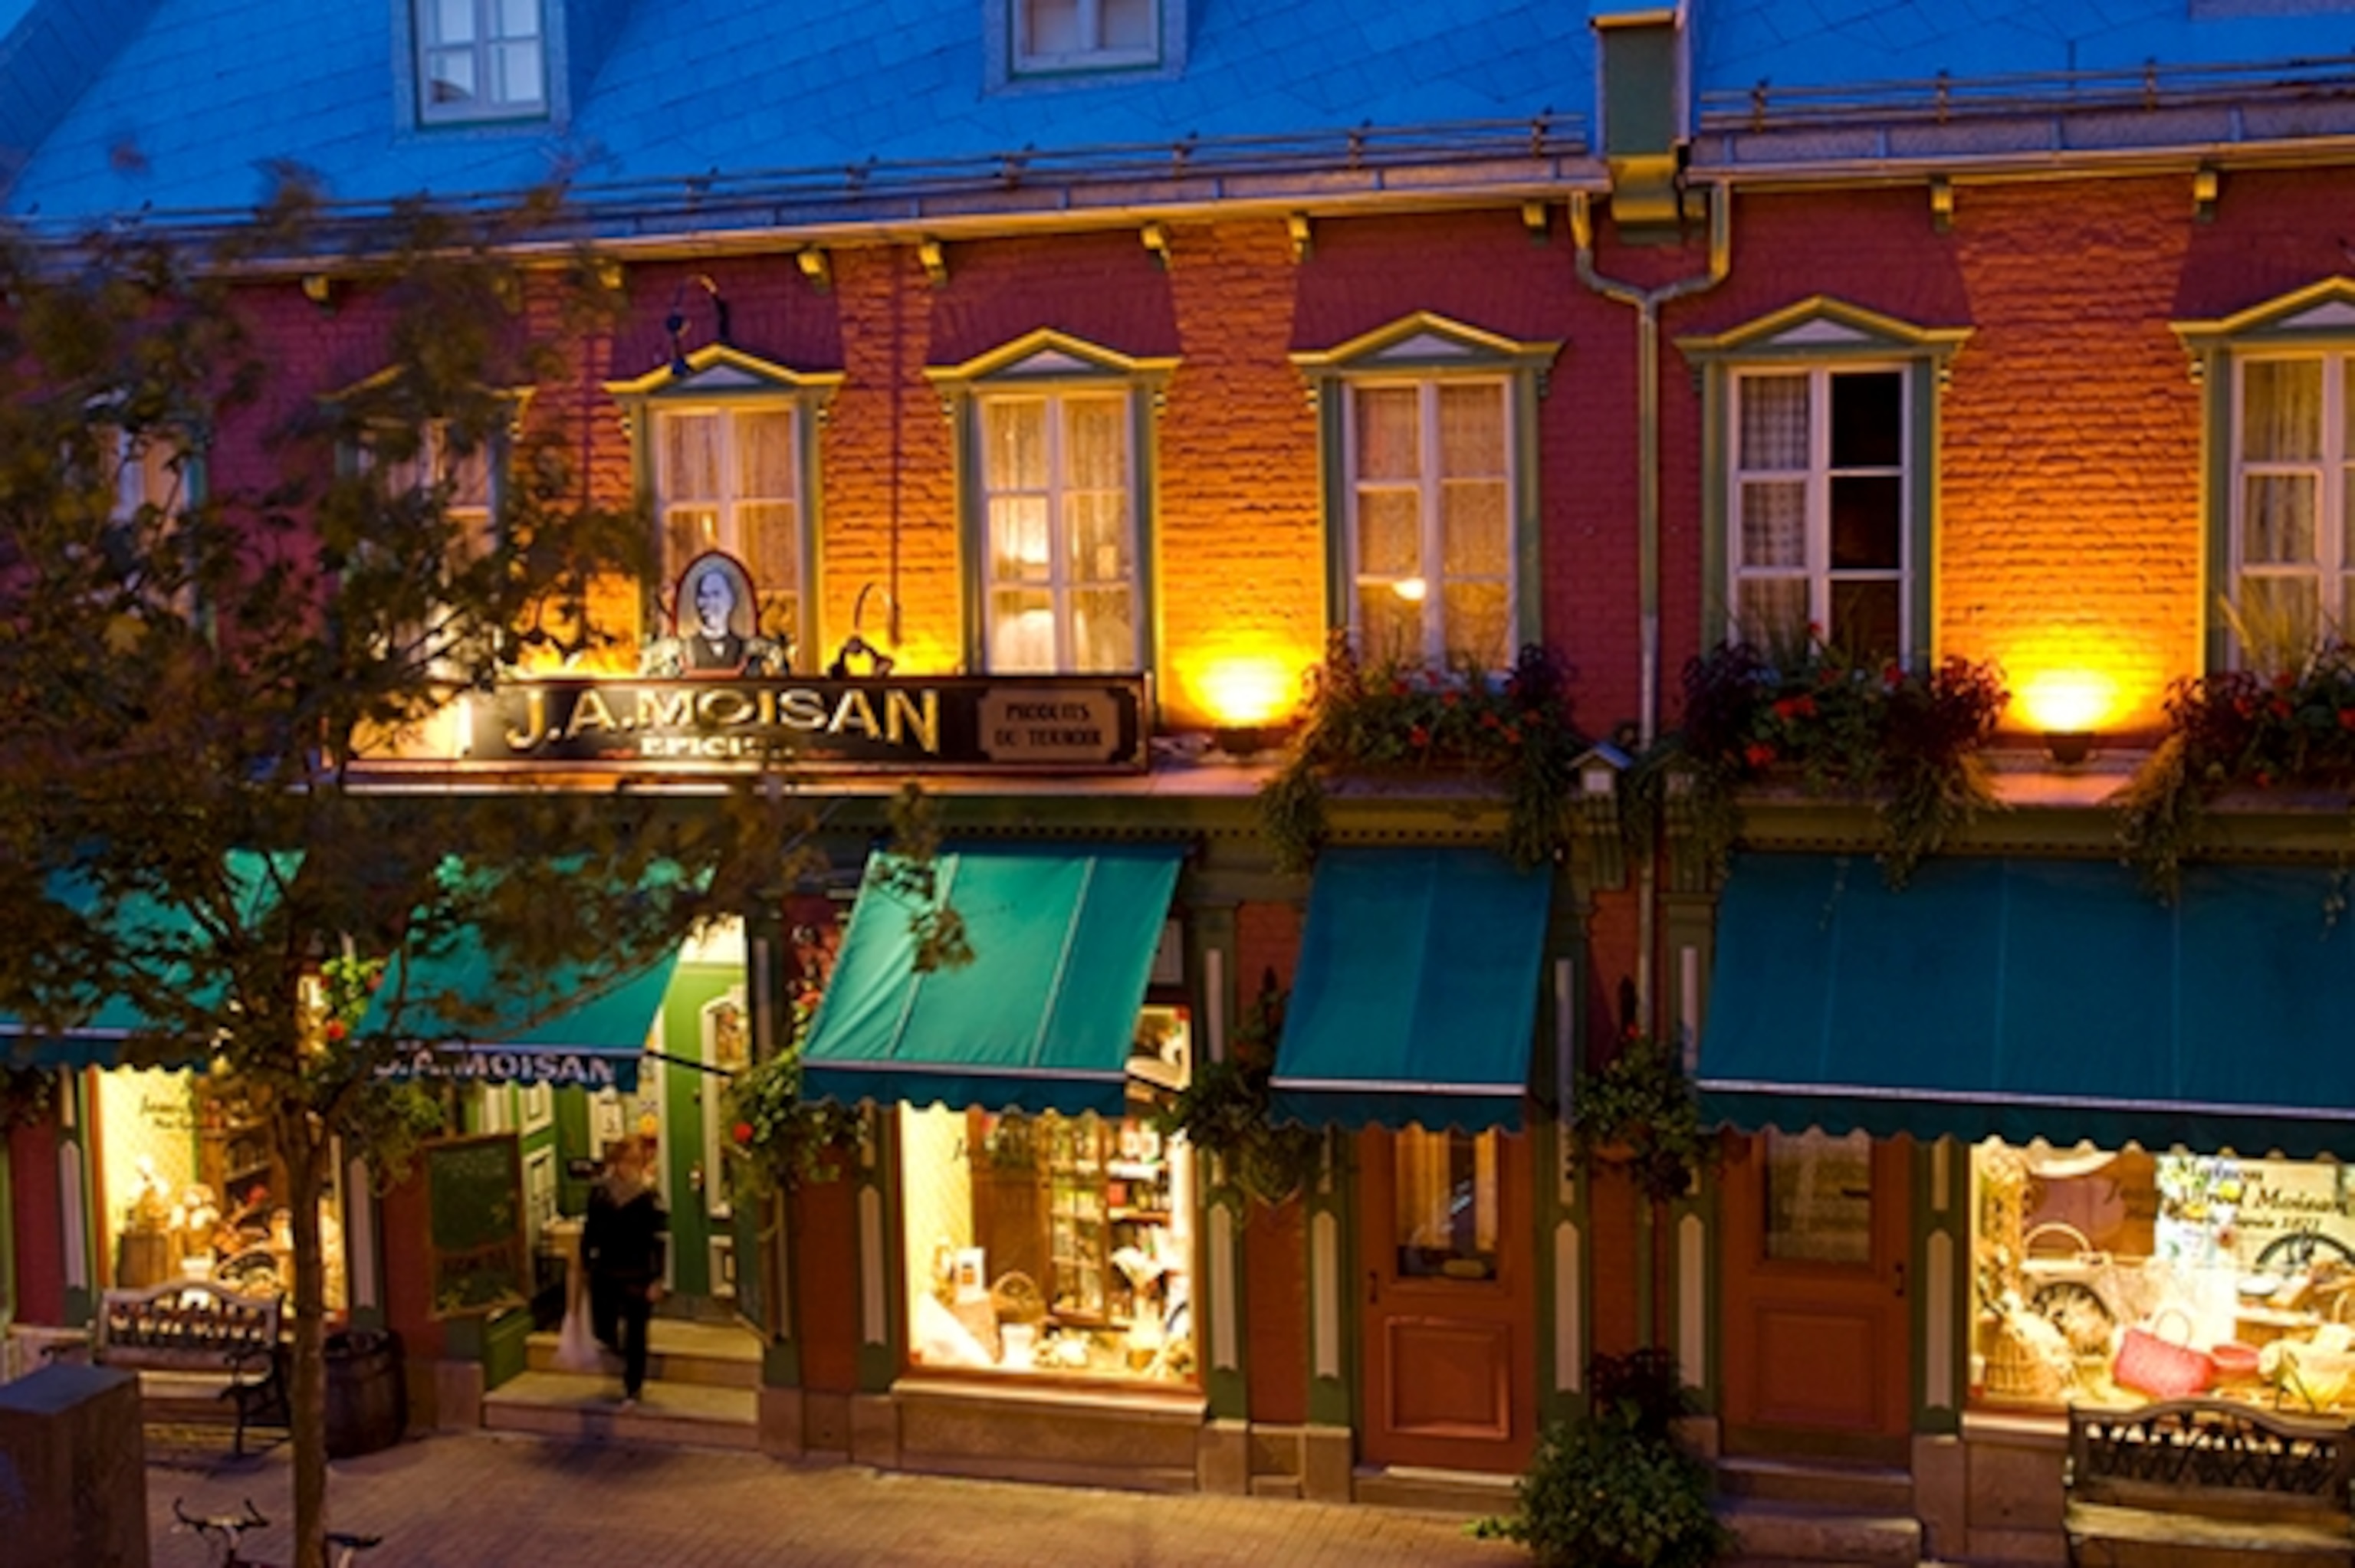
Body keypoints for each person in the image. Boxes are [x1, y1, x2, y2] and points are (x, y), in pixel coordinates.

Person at [582, 1137, 667, 1407]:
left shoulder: (646, 1196)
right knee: (603, 1325)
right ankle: (616, 1348)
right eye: (627, 1161)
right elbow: (590, 1228)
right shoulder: (601, 1192)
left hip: (637, 1271)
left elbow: (655, 1239)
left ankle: (633, 1385)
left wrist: (656, 1277)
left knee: (636, 1331)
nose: (631, 1167)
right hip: (606, 1269)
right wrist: (586, 1259)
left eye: (637, 1162)